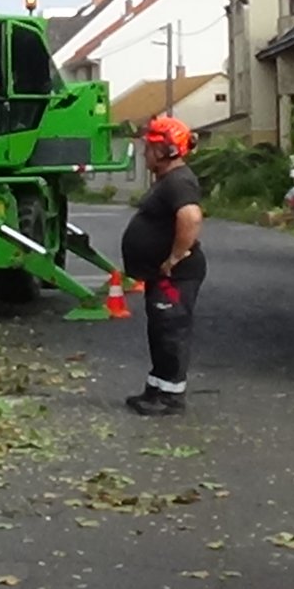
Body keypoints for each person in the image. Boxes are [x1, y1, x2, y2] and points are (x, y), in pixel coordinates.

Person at [120, 116, 206, 417]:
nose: (145, 153)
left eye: (149, 148)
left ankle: (171, 398)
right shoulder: (168, 181)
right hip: (163, 275)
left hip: (176, 276)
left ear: (165, 150)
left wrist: (175, 257)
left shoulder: (179, 181)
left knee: (171, 331)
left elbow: (191, 218)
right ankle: (155, 389)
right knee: (159, 331)